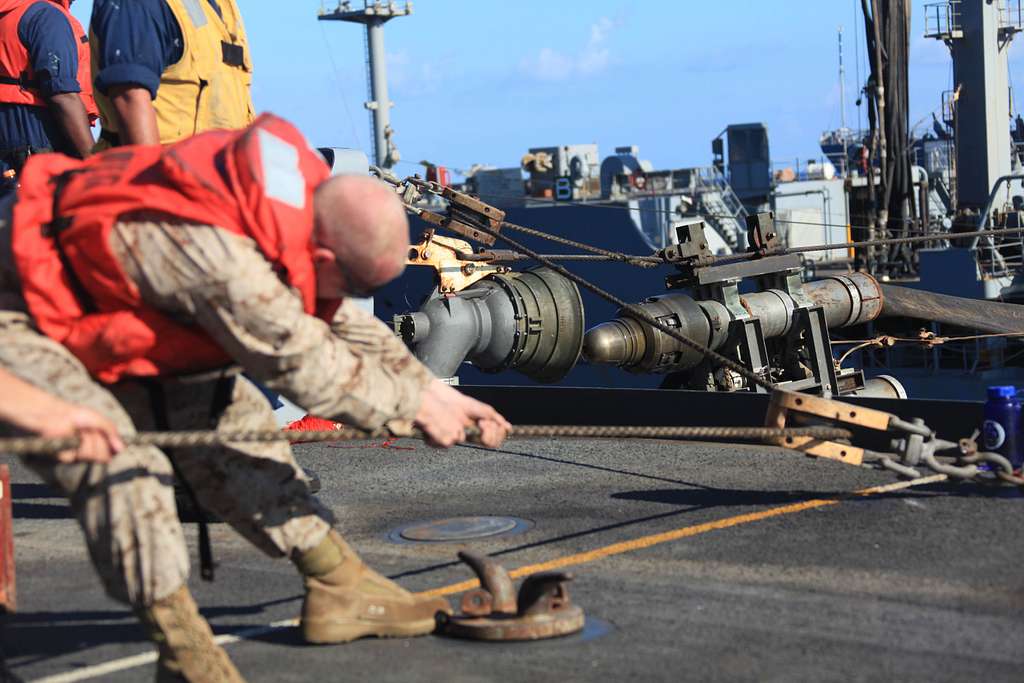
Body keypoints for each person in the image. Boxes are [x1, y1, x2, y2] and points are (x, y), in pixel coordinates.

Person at [0, 113, 510, 682]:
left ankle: (339, 585)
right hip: (24, 311)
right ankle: (186, 655)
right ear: (322, 255)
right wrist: (411, 408)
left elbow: (334, 311)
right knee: (119, 465)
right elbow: (302, 365)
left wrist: (424, 387)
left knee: (240, 418)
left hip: (124, 300)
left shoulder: (303, 196)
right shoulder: (217, 255)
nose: (357, 299)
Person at [89, 0, 254, 148]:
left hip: (213, 173)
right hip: (162, 174)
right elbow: (130, 97)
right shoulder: (138, 5)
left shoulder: (221, 7)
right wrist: (153, 177)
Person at [0, 0, 96, 178]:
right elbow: (62, 95)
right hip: (37, 134)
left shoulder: (9, 12)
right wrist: (95, 163)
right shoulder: (46, 17)